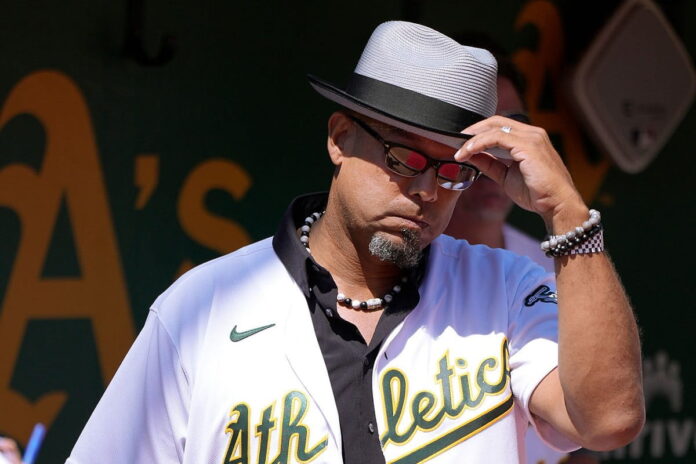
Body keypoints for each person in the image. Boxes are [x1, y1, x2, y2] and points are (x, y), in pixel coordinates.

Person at [67, 21, 644, 463]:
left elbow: (607, 419)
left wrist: (566, 212)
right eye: (405, 158)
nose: (426, 191)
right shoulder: (202, 308)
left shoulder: (507, 288)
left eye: (452, 173)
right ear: (341, 139)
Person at [444, 50, 600, 464]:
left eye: (512, 129)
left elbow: (597, 426)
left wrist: (568, 212)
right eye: (477, 133)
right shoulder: (395, 268)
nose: (499, 152)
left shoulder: (564, 265)